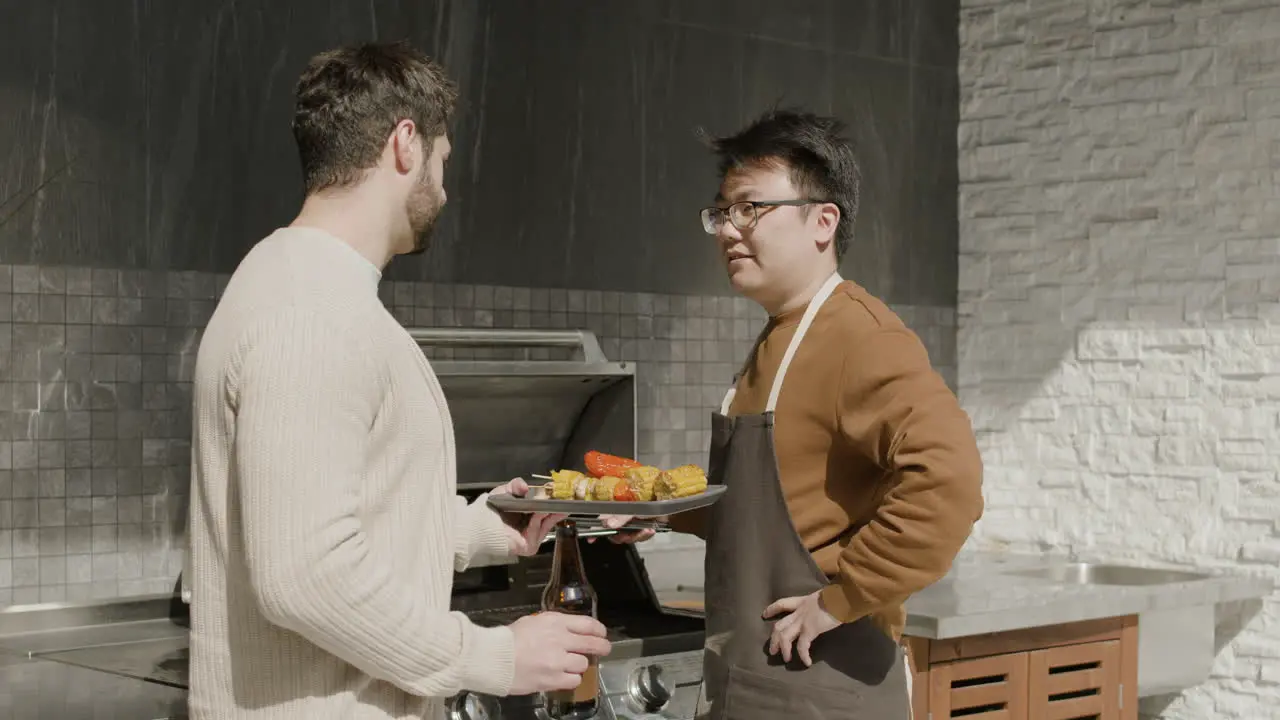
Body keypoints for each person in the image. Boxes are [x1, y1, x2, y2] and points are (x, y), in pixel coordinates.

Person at [185, 41, 610, 720]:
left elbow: (353, 510)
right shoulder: (311, 313)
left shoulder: (315, 293)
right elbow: (306, 574)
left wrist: (488, 528)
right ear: (405, 146)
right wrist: (494, 658)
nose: (445, 187)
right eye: (443, 162)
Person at [605, 109, 984, 719]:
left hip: (826, 687)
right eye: (723, 212)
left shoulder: (862, 337)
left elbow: (951, 482)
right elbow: (789, 500)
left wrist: (840, 599)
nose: (730, 230)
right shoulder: (778, 339)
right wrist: (669, 511)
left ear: (822, 221)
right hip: (754, 682)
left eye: (751, 208)